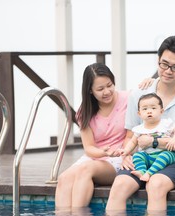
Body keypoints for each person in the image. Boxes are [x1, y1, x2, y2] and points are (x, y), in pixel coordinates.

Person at [106, 35, 175, 212]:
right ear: (158, 61)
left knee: (156, 184)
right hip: (144, 157)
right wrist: (126, 155)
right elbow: (130, 135)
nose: (168, 71)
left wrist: (154, 142)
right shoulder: (140, 93)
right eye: (164, 64)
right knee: (120, 184)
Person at [55, 63, 153, 208]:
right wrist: (103, 152)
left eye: (109, 85)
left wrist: (150, 82)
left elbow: (153, 96)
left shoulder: (129, 99)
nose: (107, 91)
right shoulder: (84, 111)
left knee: (86, 169)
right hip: (97, 156)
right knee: (64, 178)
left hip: (121, 156)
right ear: (90, 91)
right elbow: (89, 148)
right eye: (100, 89)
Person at [119, 93, 175, 182]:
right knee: (137, 155)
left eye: (153, 108)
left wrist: (174, 139)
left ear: (161, 111)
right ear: (139, 113)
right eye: (145, 109)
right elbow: (133, 142)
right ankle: (142, 171)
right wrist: (125, 151)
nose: (149, 111)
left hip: (165, 153)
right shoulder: (139, 129)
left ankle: (149, 173)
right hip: (148, 156)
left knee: (165, 155)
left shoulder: (166, 124)